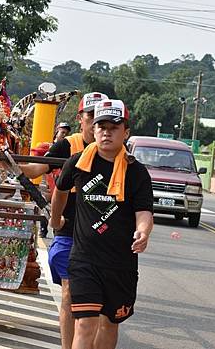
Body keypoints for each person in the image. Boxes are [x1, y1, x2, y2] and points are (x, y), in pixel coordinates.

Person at [51, 99, 154, 349]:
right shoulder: (77, 163)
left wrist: (143, 231)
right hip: (84, 259)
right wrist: (56, 220)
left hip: (121, 262)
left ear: (126, 133)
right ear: (94, 130)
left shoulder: (137, 172)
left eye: (114, 127)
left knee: (109, 322)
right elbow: (60, 190)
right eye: (101, 126)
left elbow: (144, 212)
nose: (106, 132)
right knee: (85, 323)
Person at [19, 92, 107, 349]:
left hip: (102, 235)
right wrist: (13, 164)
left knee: (101, 305)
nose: (96, 123)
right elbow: (39, 168)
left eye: (101, 118)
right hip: (69, 231)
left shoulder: (116, 152)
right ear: (81, 119)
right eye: (91, 116)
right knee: (70, 294)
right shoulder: (69, 145)